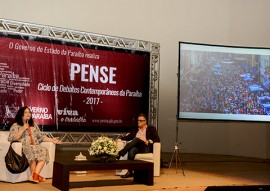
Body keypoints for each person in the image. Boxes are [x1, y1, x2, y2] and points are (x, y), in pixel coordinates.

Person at [8, 106, 61, 183]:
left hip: (35, 146)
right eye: (26, 112)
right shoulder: (16, 125)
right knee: (32, 150)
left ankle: (34, 175)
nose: (28, 114)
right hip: (24, 147)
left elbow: (41, 137)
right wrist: (23, 129)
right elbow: (11, 138)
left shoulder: (34, 125)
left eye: (29, 112)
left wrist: (52, 140)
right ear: (21, 115)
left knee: (44, 150)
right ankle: (35, 176)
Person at [116, 113, 160, 178]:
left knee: (136, 139)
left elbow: (157, 139)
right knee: (132, 151)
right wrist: (119, 139)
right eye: (138, 120)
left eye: (141, 121)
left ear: (145, 121)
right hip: (137, 148)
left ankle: (121, 153)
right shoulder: (135, 130)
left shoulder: (151, 129)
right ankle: (130, 171)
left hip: (146, 147)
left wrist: (149, 141)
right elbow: (127, 137)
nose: (138, 122)